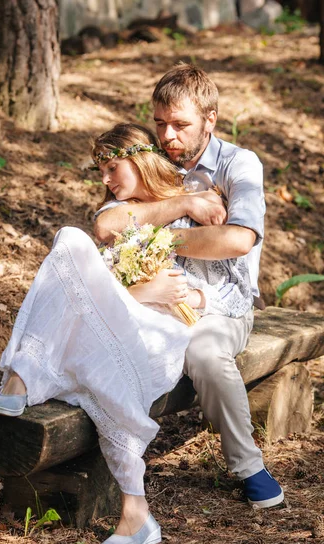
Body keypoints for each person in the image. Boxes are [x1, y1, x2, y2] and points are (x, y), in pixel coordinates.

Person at [0, 122, 262, 544]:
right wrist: (142, 290)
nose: (105, 179)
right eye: (100, 170)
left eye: (113, 167)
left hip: (165, 337)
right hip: (119, 325)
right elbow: (102, 238)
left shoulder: (198, 203)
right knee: (70, 240)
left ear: (138, 161)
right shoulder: (119, 213)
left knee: (102, 357)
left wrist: (184, 222)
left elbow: (229, 271)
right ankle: (20, 375)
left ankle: (134, 508)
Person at [94, 64, 284, 512]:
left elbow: (238, 239)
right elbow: (107, 224)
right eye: (160, 123)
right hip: (154, 304)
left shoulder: (239, 165)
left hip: (221, 307)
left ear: (210, 120)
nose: (168, 135)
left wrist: (159, 234)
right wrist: (184, 204)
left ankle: (249, 467)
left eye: (180, 124)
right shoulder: (157, 161)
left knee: (202, 350)